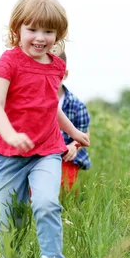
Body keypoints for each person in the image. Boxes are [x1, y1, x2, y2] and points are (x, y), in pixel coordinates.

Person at [0, 0, 90, 258]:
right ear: (17, 28)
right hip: (9, 152)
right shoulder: (9, 62)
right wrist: (10, 134)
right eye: (32, 29)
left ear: (59, 35)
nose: (40, 37)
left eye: (48, 31)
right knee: (12, 216)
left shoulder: (55, 66)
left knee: (46, 203)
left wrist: (72, 132)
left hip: (46, 150)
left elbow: (50, 106)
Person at [55, 51, 91, 191]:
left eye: (55, 75)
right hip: (41, 153)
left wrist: (73, 146)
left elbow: (84, 133)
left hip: (67, 154)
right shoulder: (34, 100)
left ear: (64, 74)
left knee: (66, 187)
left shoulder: (76, 105)